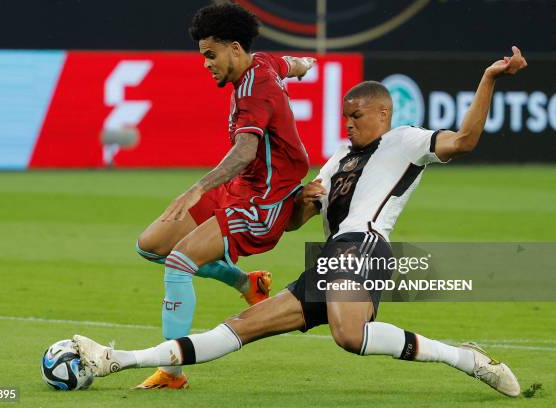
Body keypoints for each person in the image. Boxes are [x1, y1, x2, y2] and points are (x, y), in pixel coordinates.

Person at [75, 47, 527, 397]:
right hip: (332, 259)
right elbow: (292, 225)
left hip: (363, 245)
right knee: (240, 327)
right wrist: (302, 203)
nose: (348, 124)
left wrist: (488, 78)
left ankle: (466, 360)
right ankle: (114, 359)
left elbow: (465, 141)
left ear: (383, 114)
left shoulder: (406, 141)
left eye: (357, 116)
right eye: (345, 116)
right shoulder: (337, 161)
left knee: (348, 336)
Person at [133, 3, 315, 389]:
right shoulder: (261, 62)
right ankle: (248, 285)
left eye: (210, 55)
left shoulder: (254, 89)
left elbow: (246, 150)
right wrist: (303, 65)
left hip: (263, 200)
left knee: (179, 263)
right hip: (240, 188)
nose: (206, 64)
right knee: (151, 246)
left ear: (234, 48)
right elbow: (292, 63)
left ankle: (172, 372)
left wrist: (198, 187)